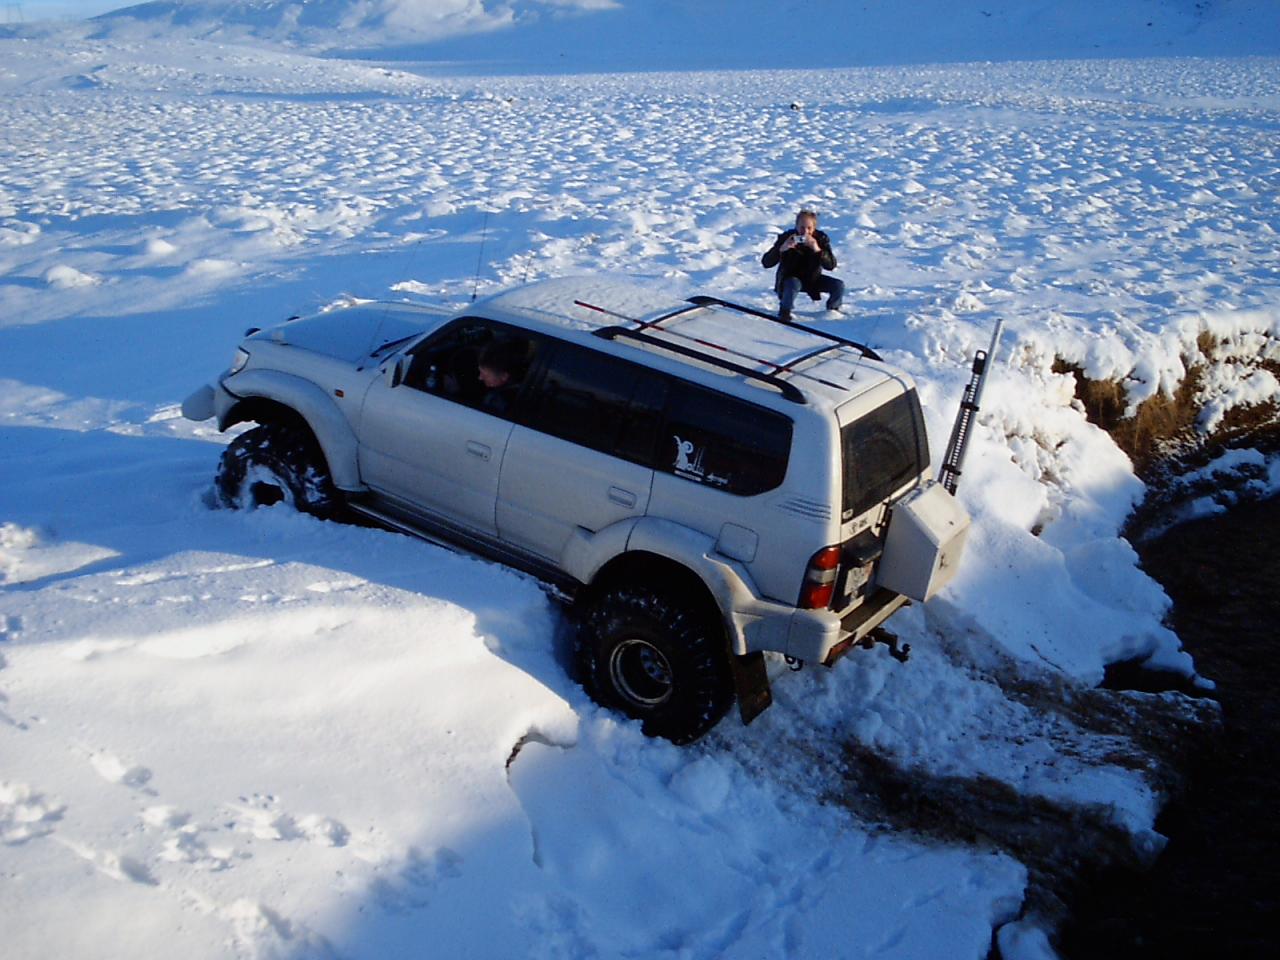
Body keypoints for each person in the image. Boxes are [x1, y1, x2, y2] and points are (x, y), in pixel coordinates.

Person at [761, 209, 844, 321]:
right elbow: (766, 263)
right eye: (802, 227)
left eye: (809, 228)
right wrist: (781, 249)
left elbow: (831, 266)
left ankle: (833, 312)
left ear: (814, 228)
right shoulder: (786, 238)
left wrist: (817, 249)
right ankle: (785, 311)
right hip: (790, 279)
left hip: (812, 278)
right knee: (793, 283)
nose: (805, 232)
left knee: (838, 285)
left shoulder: (820, 239)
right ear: (796, 226)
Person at [476, 337, 529, 415]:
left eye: (485, 374)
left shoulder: (497, 401)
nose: (479, 378)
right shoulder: (523, 386)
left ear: (504, 376)